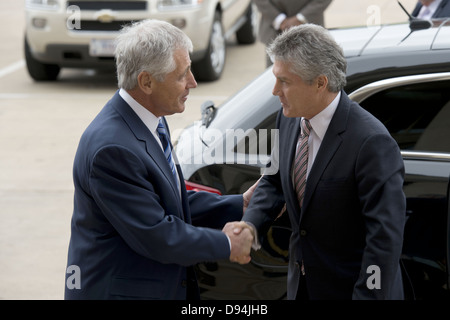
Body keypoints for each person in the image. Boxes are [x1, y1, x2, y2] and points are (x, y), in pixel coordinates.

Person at [64, 19, 254, 300]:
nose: (193, 83)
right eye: (182, 75)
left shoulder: (149, 119)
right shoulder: (113, 150)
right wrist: (228, 243)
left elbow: (169, 201)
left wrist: (240, 204)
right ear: (147, 82)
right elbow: (157, 234)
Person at [240, 24, 407, 300]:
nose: (274, 91)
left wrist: (368, 295)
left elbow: (384, 241)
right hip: (302, 287)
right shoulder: (288, 118)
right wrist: (250, 227)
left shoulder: (371, 142)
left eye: (284, 81)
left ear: (320, 82)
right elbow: (273, 180)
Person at [253, 0, 332, 66]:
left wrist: (301, 18)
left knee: (311, 75)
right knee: (274, 76)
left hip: (310, 30)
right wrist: (279, 19)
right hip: (274, 30)